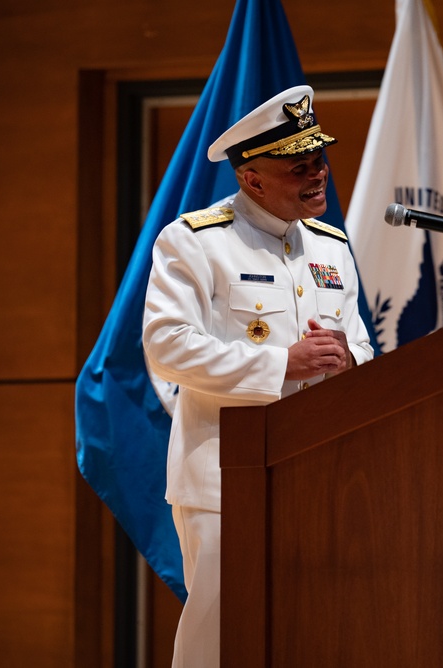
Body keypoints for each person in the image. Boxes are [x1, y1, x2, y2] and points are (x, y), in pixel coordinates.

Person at [143, 85, 374, 667]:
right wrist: (280, 364)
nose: (318, 174)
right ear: (251, 179)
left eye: (320, 158)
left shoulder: (333, 247)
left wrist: (350, 359)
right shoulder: (195, 242)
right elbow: (166, 346)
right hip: (225, 481)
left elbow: (366, 346)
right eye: (300, 166)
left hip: (319, 474)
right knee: (220, 642)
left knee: (313, 635)